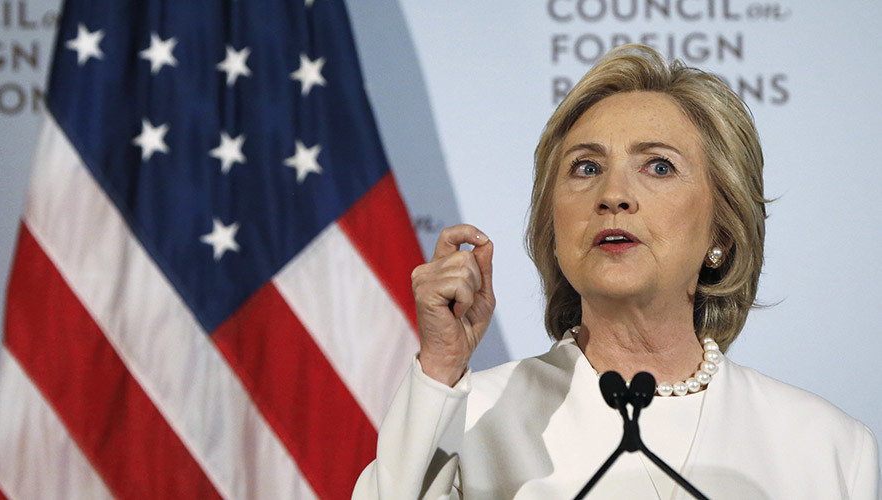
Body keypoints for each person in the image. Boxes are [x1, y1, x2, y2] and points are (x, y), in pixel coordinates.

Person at [351, 44, 880, 499]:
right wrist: (440, 368)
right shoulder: (472, 418)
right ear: (553, 225)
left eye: (659, 166)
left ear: (722, 233)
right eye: (586, 167)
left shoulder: (828, 447)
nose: (613, 195)